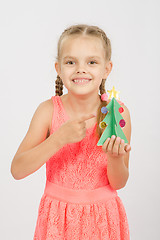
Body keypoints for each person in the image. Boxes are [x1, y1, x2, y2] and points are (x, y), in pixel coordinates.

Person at [11, 24, 131, 240]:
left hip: (103, 221)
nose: (80, 69)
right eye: (70, 62)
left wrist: (115, 158)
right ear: (58, 68)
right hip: (58, 221)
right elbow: (17, 170)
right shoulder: (48, 111)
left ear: (106, 68)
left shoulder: (118, 113)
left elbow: (119, 183)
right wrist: (58, 139)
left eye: (92, 62)